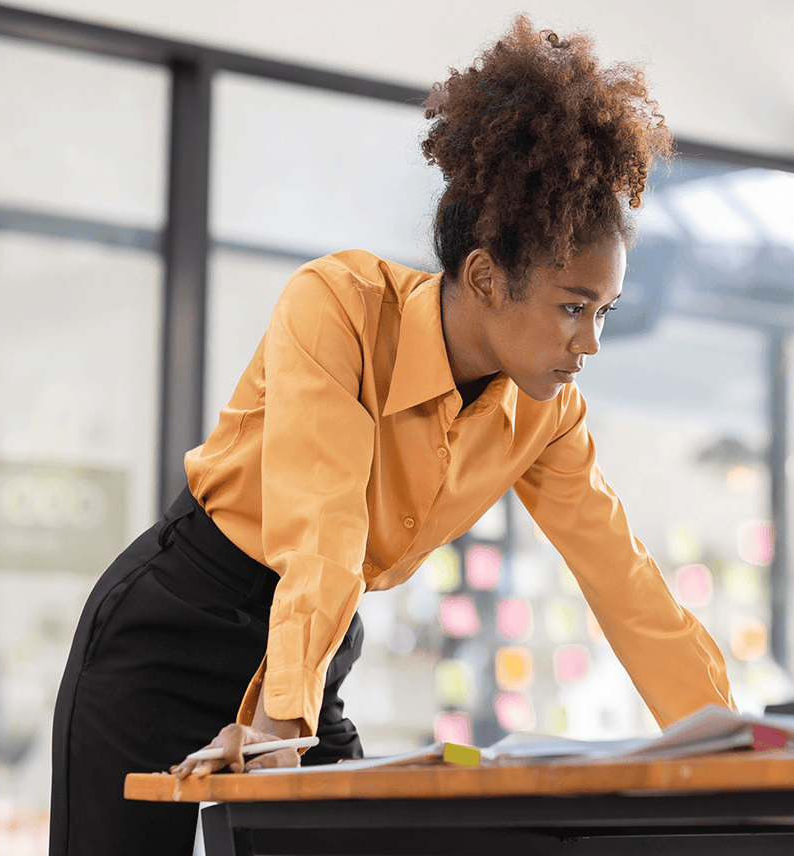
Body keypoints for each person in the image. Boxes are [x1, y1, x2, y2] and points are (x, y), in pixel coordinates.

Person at [49, 16, 733, 856]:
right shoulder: (336, 307)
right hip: (176, 630)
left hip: (314, 649)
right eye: (570, 307)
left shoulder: (546, 413)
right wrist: (278, 725)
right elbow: (325, 528)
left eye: (604, 312)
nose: (590, 343)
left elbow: (625, 583)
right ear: (485, 275)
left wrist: (732, 746)